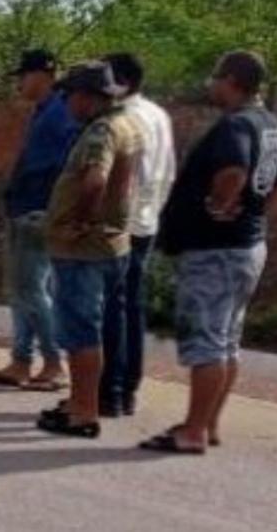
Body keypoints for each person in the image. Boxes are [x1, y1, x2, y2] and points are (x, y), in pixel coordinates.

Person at [141, 51, 277, 455]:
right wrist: (259, 216)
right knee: (226, 340)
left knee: (207, 341)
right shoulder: (271, 124)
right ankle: (207, 423)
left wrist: (218, 205)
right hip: (247, 246)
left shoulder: (237, 125)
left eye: (215, 77)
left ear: (230, 79)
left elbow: (233, 170)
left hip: (215, 249)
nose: (210, 85)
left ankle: (192, 431)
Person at [36, 61, 143, 438]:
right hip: (113, 244)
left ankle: (83, 411)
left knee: (81, 332)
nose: (66, 103)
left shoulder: (101, 132)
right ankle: (83, 400)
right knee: (91, 328)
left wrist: (79, 220)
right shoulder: (127, 125)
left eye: (69, 96)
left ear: (85, 97)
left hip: (85, 250)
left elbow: (95, 180)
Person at [0, 49, 77, 391]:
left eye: (24, 75)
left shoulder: (60, 112)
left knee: (30, 290)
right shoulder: (45, 111)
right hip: (26, 209)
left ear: (43, 75)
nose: (20, 82)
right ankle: (21, 361)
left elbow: (57, 165)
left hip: (39, 210)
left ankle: (52, 362)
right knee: (23, 291)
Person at [99, 52, 176, 417]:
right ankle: (128, 387)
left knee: (111, 308)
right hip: (146, 222)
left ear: (122, 81)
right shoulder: (158, 115)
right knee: (131, 305)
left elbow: (127, 177)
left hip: (121, 224)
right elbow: (168, 172)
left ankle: (109, 390)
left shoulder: (123, 119)